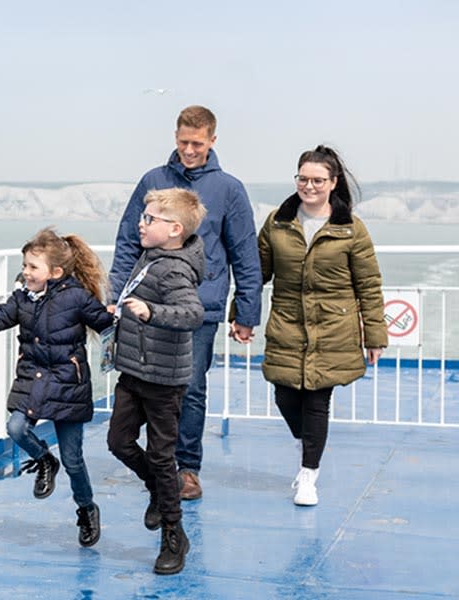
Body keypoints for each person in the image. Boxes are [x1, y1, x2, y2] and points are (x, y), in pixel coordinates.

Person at [109, 105, 263, 501]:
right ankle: (154, 465)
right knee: (137, 384)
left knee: (189, 388)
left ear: (213, 140)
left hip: (200, 308)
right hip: (143, 305)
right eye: (182, 142)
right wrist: (115, 295)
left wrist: (246, 312)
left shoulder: (229, 189)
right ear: (174, 138)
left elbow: (244, 252)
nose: (189, 150)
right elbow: (129, 239)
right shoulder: (153, 180)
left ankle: (187, 469)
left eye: (197, 143)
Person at [0, 228, 115, 548]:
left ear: (55, 272)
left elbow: (105, 324)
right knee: (16, 428)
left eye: (33, 267)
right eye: (25, 266)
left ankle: (87, 509)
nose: (26, 272)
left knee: (74, 460)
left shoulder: (75, 297)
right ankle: (45, 460)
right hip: (33, 380)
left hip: (68, 385)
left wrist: (118, 319)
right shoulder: (22, 300)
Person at [257, 145, 386, 506]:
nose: (309, 186)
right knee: (284, 395)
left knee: (317, 399)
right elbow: (258, 274)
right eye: (303, 178)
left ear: (333, 182)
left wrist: (374, 335)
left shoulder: (351, 229)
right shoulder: (277, 222)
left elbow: (369, 284)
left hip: (333, 328)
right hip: (287, 324)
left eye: (317, 180)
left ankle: (309, 476)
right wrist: (242, 315)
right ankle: (307, 445)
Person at [106, 188, 206, 575]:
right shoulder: (151, 257)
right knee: (118, 441)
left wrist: (151, 312)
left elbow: (192, 313)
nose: (141, 223)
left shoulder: (175, 268)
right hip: (133, 371)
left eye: (150, 219)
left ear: (175, 229)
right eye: (143, 217)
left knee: (163, 457)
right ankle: (158, 490)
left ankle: (173, 534)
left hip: (163, 380)